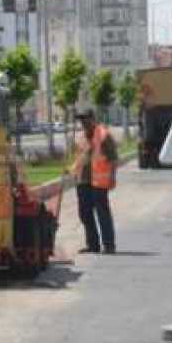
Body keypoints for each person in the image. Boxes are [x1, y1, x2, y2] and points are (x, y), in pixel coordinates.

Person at [72, 109, 117, 255]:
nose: (83, 122)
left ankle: (109, 245)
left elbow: (113, 158)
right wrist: (73, 172)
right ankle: (93, 245)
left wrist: (112, 177)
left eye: (85, 119)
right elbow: (78, 158)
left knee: (102, 213)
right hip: (82, 181)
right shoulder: (80, 137)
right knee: (85, 213)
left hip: (98, 181)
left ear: (93, 118)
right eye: (81, 120)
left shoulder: (103, 135)